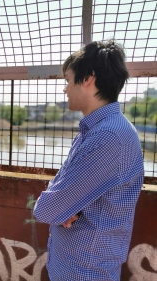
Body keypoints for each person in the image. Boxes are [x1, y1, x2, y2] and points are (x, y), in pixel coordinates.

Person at [33, 39, 144, 281]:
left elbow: (47, 209)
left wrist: (62, 207)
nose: (65, 89)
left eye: (68, 80)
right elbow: (59, 190)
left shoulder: (108, 136)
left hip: (85, 272)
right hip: (76, 266)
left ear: (87, 79)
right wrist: (64, 206)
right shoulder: (95, 129)